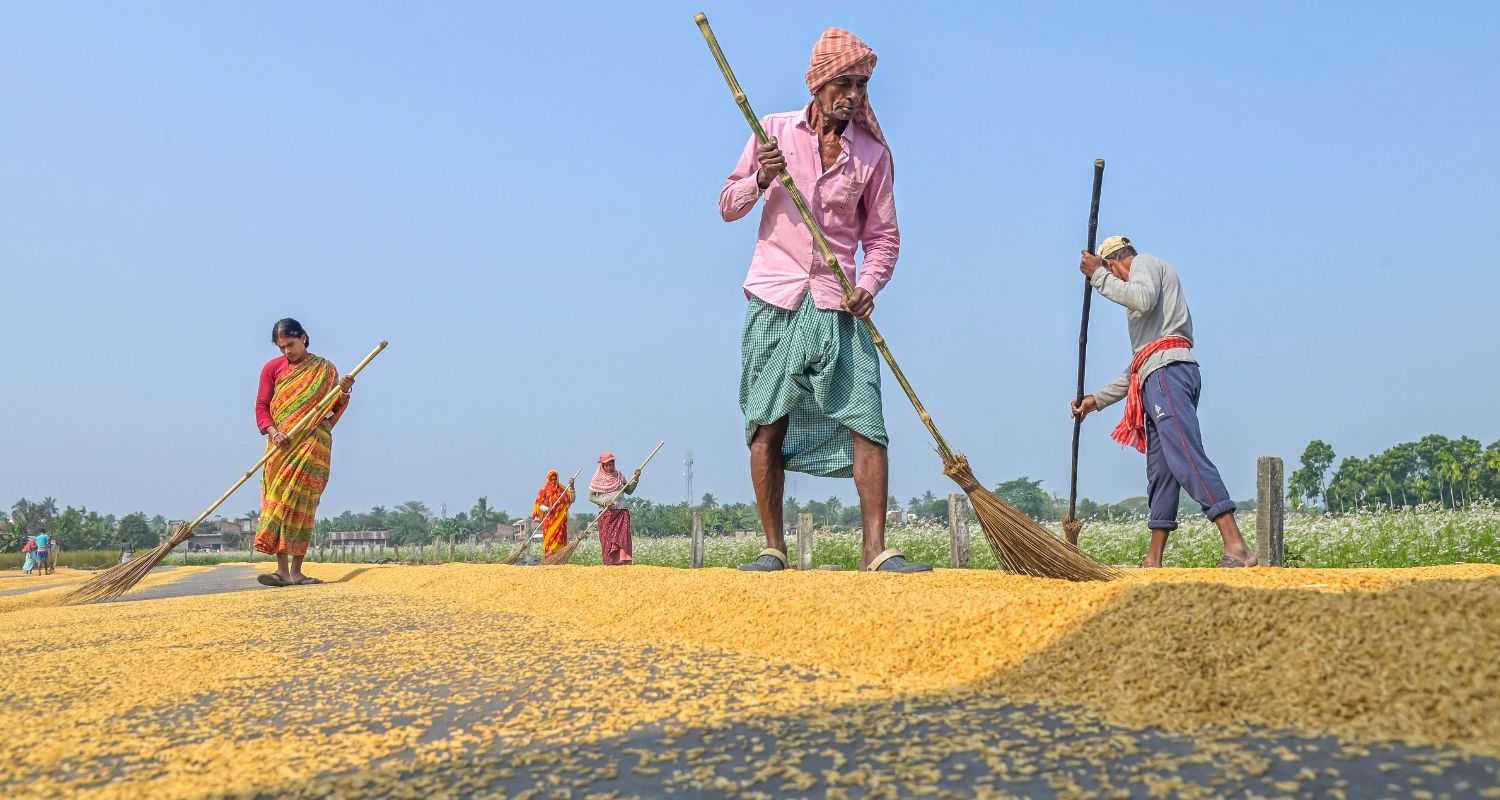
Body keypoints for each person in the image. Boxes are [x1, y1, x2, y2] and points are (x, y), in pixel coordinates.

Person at [719, 27, 928, 573]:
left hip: (838, 301)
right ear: (818, 83)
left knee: (867, 418)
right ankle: (773, 548)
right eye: (844, 83)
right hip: (775, 297)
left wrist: (870, 285)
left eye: (860, 85)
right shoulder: (772, 132)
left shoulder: (873, 155)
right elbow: (727, 203)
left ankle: (875, 551)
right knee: (767, 422)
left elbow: (883, 237)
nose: (853, 96)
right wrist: (761, 178)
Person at [1070, 236, 1257, 568]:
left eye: (1111, 271)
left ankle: (1236, 545)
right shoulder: (1151, 323)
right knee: (1163, 471)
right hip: (1155, 375)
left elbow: (1140, 299)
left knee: (1185, 454)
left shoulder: (1144, 265)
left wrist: (1098, 277)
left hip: (1168, 374)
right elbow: (1136, 368)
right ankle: (1153, 558)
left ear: (1115, 262)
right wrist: (1095, 401)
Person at [253, 318, 355, 586]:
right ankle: (281, 571)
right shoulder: (272, 369)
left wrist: (342, 392)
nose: (287, 352)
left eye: (291, 345)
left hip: (312, 445)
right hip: (280, 447)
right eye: (282, 347)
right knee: (278, 503)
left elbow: (333, 408)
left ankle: (297, 572)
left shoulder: (325, 369)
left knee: (303, 505)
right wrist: (274, 433)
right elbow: (262, 408)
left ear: (304, 338)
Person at [588, 453, 639, 566]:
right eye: (607, 465)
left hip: (621, 512)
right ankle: (610, 563)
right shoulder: (597, 479)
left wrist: (636, 479)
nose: (610, 467)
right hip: (607, 514)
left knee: (623, 539)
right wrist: (604, 502)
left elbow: (629, 491)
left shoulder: (619, 476)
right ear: (602, 466)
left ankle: (623, 563)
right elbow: (591, 497)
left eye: (612, 464)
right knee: (608, 540)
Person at [532, 469, 576, 559]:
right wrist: (547, 509)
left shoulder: (562, 490)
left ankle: (560, 559)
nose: (553, 481)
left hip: (560, 523)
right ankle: (549, 559)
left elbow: (572, 499)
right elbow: (539, 505)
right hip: (549, 523)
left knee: (560, 542)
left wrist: (572, 487)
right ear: (548, 479)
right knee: (549, 543)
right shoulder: (544, 490)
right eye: (551, 479)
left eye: (555, 479)